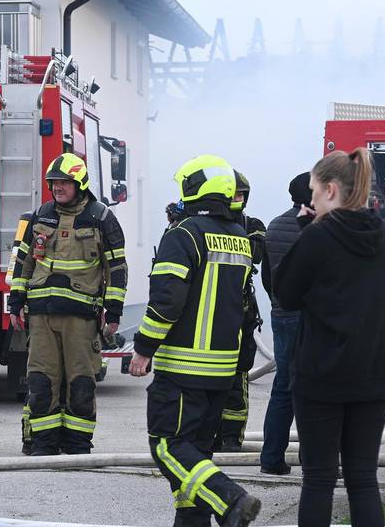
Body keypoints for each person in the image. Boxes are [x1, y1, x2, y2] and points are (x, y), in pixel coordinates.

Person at [129, 155, 261, 527]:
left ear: (194, 189)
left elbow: (167, 302)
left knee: (167, 446)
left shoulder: (184, 234)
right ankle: (192, 522)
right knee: (197, 454)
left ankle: (230, 500)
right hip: (222, 369)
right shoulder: (239, 237)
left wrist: (143, 348)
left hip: (184, 368)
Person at [273, 149, 385, 527]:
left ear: (330, 189)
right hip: (376, 374)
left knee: (319, 479)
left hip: (322, 375)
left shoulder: (318, 237)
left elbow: (286, 293)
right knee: (363, 480)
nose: (308, 200)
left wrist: (306, 231)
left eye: (312, 191)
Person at [8, 153, 128, 456]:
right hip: (41, 316)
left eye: (64, 182)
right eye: (54, 182)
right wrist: (16, 302)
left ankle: (77, 445)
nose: (58, 187)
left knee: (81, 383)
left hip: (81, 319)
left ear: (80, 184)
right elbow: (23, 262)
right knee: (41, 381)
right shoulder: (41, 214)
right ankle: (44, 444)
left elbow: (116, 268)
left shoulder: (101, 218)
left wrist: (113, 313)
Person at [259, 171, 312, 475]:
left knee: (283, 387)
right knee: (316, 390)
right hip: (313, 317)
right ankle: (313, 459)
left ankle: (271, 459)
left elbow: (268, 278)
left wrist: (280, 302)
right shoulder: (321, 226)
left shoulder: (275, 225)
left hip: (282, 315)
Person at [214, 170, 269, 453]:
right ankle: (210, 433)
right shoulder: (202, 223)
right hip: (210, 313)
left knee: (238, 378)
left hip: (241, 312)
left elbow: (256, 254)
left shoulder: (252, 225)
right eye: (231, 194)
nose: (236, 199)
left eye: (240, 195)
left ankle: (232, 437)